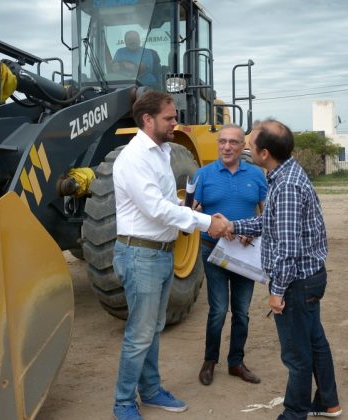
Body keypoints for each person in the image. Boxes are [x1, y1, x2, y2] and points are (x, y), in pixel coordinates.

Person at [110, 91, 228, 420]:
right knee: (139, 333)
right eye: (169, 118)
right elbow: (154, 209)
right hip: (140, 255)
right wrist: (206, 223)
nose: (175, 123)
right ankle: (123, 402)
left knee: (153, 328)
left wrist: (186, 209)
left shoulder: (161, 152)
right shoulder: (134, 157)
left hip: (160, 253)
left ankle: (149, 390)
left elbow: (166, 201)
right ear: (147, 120)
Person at [219, 119, 341, 419]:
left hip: (296, 283)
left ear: (264, 154)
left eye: (249, 144)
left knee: (296, 354)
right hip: (308, 279)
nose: (244, 147)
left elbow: (287, 249)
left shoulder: (285, 185)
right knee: (314, 342)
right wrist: (234, 225)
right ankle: (328, 401)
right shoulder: (286, 173)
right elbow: (269, 223)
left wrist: (276, 292)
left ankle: (294, 413)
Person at [193, 124, 267, 386]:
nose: (227, 147)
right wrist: (208, 221)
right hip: (213, 250)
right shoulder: (203, 175)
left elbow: (267, 213)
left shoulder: (257, 175)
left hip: (245, 253)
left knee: (242, 312)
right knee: (218, 309)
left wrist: (253, 232)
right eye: (222, 141)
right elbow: (193, 212)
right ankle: (209, 361)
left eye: (233, 142)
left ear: (243, 146)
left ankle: (236, 362)